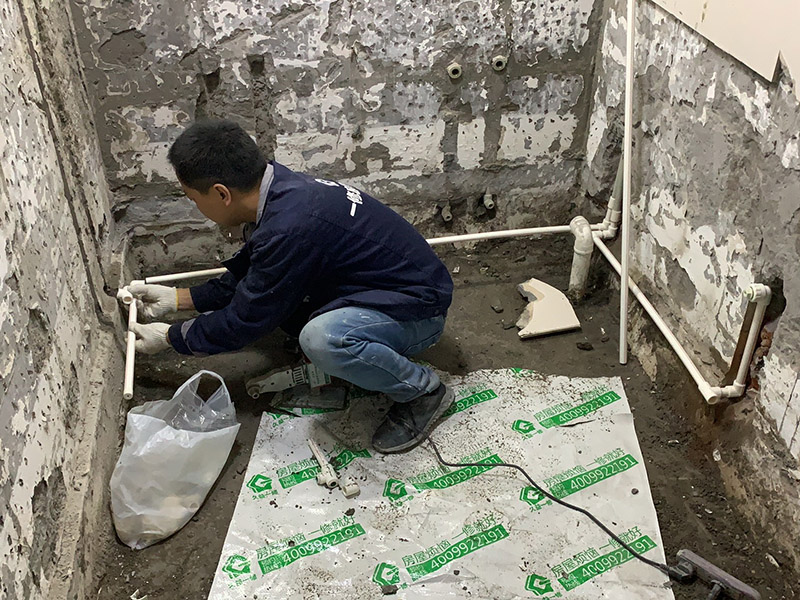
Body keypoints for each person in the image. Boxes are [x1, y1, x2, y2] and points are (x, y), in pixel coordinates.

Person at [126, 119, 454, 454]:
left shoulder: (290, 227)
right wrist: (179, 299)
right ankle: (361, 354)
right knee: (287, 306)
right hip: (389, 288)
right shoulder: (279, 189)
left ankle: (422, 392)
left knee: (322, 340)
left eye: (194, 199)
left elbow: (245, 319)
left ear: (222, 193)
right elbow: (257, 275)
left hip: (418, 311)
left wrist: (171, 338)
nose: (196, 208)